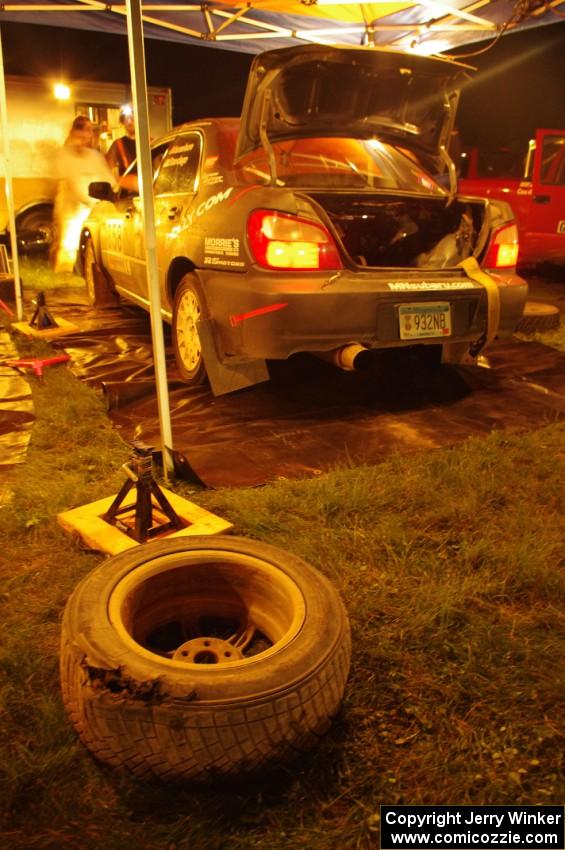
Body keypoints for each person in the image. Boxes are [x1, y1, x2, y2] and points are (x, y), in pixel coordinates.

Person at [106, 108, 137, 179]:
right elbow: (108, 167)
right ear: (123, 123)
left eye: (133, 118)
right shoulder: (117, 144)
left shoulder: (150, 142)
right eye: (126, 119)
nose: (130, 122)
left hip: (149, 186)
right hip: (127, 187)